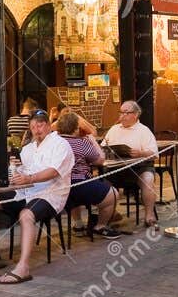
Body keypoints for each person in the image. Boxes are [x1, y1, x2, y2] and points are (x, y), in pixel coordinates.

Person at [0, 109, 73, 285]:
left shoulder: (60, 144)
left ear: (48, 125)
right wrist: (16, 171)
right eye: (33, 126)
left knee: (26, 215)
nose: (37, 129)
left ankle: (23, 267)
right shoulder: (27, 149)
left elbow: (54, 171)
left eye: (40, 125)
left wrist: (29, 178)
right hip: (26, 192)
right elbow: (23, 173)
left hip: (50, 194)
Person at [56, 111, 120, 239]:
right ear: (75, 128)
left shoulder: (54, 142)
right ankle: (100, 226)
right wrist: (92, 140)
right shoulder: (81, 142)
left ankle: (78, 225)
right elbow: (100, 160)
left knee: (77, 191)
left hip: (59, 187)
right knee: (113, 194)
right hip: (78, 185)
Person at [101, 100, 162, 229]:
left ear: (135, 115)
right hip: (116, 168)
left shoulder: (144, 130)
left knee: (148, 180)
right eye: (121, 112)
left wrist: (140, 153)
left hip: (140, 167)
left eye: (126, 113)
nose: (122, 116)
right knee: (102, 184)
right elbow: (103, 148)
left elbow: (154, 154)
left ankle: (149, 216)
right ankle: (111, 214)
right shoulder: (114, 129)